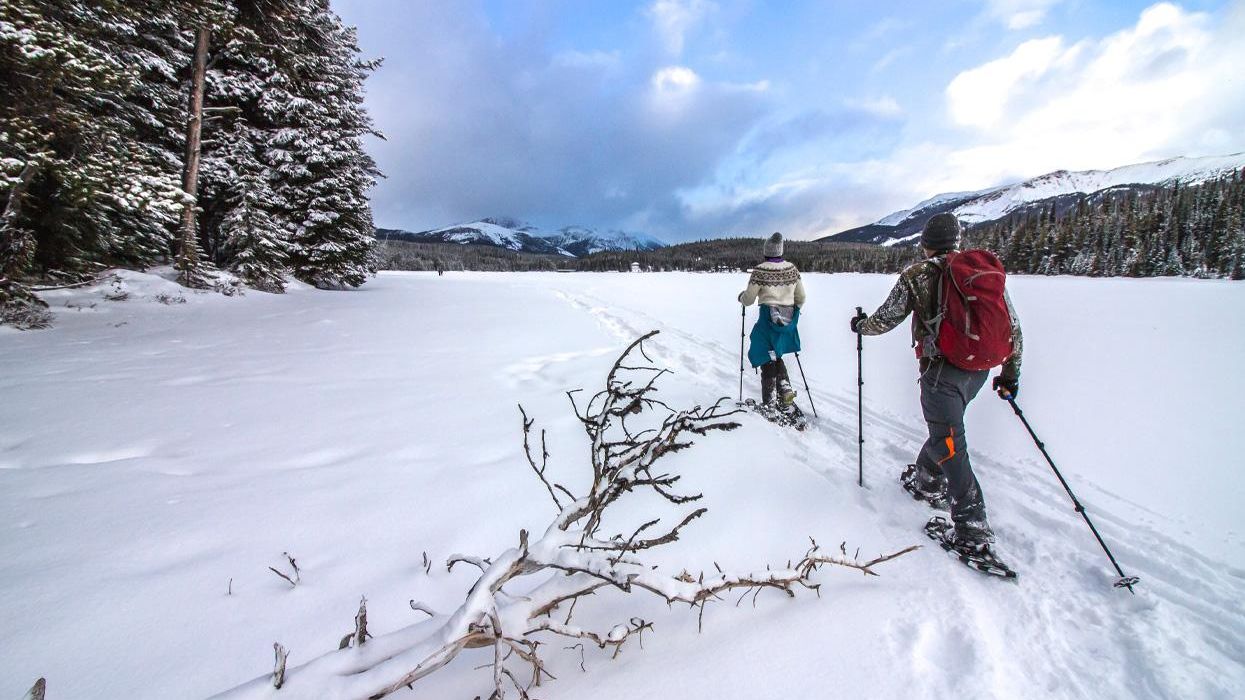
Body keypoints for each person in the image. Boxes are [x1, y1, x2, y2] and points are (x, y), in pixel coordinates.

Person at [850, 213, 1022, 550]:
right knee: (947, 431)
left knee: (949, 442)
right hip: (978, 370)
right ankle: (927, 479)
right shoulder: (979, 276)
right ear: (956, 241)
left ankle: (972, 528)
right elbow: (1012, 328)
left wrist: (860, 326)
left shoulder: (918, 275)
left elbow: (886, 319)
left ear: (926, 243)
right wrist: (1010, 374)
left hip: (941, 372)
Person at [739, 232, 807, 409]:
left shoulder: (761, 270)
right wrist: (792, 313)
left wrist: (741, 297)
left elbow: (748, 299)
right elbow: (801, 297)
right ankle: (785, 392)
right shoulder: (792, 269)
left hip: (767, 321)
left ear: (766, 251)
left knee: (764, 354)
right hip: (788, 322)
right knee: (776, 354)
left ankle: (770, 402)